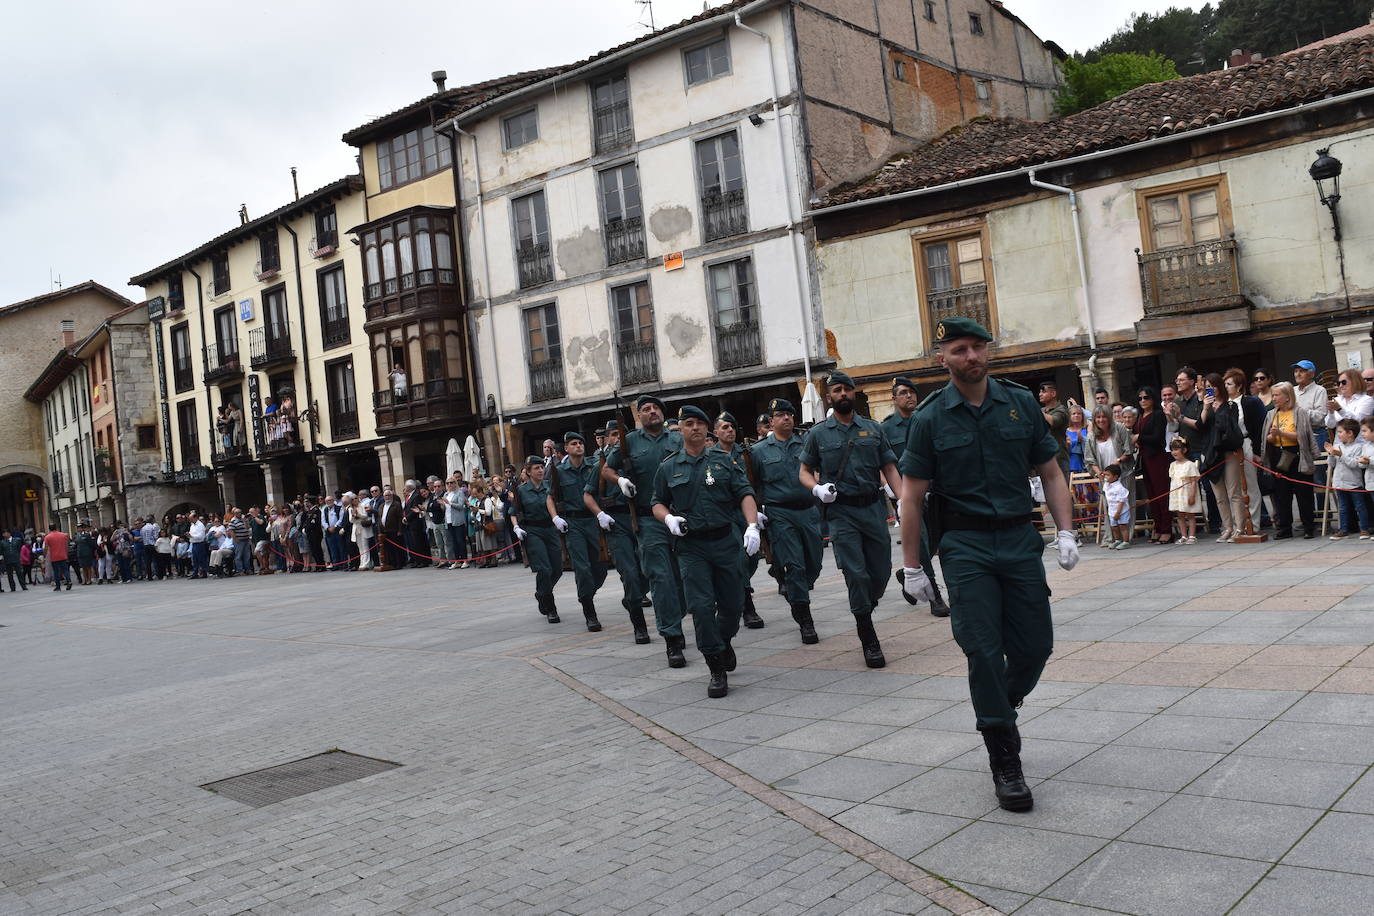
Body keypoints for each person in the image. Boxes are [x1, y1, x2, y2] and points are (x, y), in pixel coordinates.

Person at [898, 316, 1077, 814]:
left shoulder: (1020, 404)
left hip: (1021, 538)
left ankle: (1001, 704)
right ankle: (1005, 757)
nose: (971, 357)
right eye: (960, 349)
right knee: (981, 649)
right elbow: (911, 498)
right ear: (943, 357)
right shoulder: (930, 417)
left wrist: (1066, 530)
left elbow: (1051, 471)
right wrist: (913, 566)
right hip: (964, 545)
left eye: (978, 347)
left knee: (1036, 645)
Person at [652, 405, 761, 699]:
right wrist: (669, 518)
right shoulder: (669, 467)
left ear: (707, 429)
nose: (695, 428)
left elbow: (745, 493)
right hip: (692, 547)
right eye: (689, 423)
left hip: (725, 541)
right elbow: (657, 502)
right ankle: (716, 667)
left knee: (732, 605)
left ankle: (723, 641)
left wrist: (752, 526)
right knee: (700, 607)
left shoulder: (724, 461)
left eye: (700, 423)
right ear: (681, 430)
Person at [800, 371, 904, 668]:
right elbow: (804, 472)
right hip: (841, 512)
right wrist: (817, 488)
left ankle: (864, 606)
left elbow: (890, 468)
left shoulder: (873, 429)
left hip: (872, 509)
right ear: (829, 396)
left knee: (881, 569)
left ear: (854, 393)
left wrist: (902, 501)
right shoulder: (819, 434)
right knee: (856, 574)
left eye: (847, 389)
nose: (843, 393)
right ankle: (866, 632)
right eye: (837, 390)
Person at [602, 394, 688, 667]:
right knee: (660, 578)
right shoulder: (629, 443)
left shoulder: (677, 439)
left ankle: (677, 615)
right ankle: (672, 637)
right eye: (646, 409)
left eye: (656, 408)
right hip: (648, 519)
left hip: (680, 517)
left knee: (682, 580)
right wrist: (621, 480)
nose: (652, 412)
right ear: (639, 416)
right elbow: (606, 469)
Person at [749, 397, 823, 643]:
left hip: (808, 510)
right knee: (796, 566)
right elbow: (752, 485)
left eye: (789, 414)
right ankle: (805, 619)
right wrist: (756, 512)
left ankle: (794, 587)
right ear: (771, 421)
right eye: (781, 415)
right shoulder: (758, 452)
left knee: (814, 564)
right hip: (780, 514)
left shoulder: (806, 444)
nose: (787, 418)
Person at [880, 376, 950, 617]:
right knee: (919, 540)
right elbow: (882, 462)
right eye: (903, 393)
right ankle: (935, 597)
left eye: (912, 392)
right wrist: (890, 488)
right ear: (894, 398)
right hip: (908, 496)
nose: (909, 396)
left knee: (934, 540)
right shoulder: (886, 428)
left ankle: (906, 572)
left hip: (935, 490)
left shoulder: (927, 420)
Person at [583, 419, 650, 643]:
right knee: (629, 574)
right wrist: (600, 514)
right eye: (611, 435)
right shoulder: (601, 464)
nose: (615, 439)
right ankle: (639, 624)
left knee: (649, 571)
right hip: (616, 522)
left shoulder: (637, 461)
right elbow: (588, 494)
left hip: (641, 518)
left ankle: (634, 598)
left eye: (619, 435)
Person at [549, 431, 608, 632]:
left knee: (600, 568)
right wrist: (555, 517)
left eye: (581, 443)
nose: (578, 446)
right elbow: (550, 497)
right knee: (582, 568)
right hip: (573, 522)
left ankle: (587, 594)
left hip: (593, 520)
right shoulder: (558, 471)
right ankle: (589, 611)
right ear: (566, 448)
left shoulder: (593, 466)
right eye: (573, 443)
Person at [715, 411, 766, 629]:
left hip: (747, 513)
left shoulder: (747, 453)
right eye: (724, 427)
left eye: (732, 427)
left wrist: (759, 509)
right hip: (725, 515)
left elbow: (759, 481)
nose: (729, 431)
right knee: (739, 559)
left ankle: (736, 588)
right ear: (716, 432)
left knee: (752, 558)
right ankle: (748, 607)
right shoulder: (711, 456)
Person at [1263, 381, 1318, 539]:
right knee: (1281, 493)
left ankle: (1308, 527)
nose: (1274, 398)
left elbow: (1302, 436)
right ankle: (1285, 527)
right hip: (1279, 455)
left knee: (1303, 493)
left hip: (1297, 454)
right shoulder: (1272, 414)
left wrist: (1281, 433)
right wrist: (1274, 435)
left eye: (1277, 395)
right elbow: (1267, 438)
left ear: (1287, 397)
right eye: (1273, 395)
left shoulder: (1299, 412)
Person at [511, 456, 563, 620]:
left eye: (542, 467)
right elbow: (513, 512)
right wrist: (516, 527)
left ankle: (541, 593)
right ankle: (550, 606)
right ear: (528, 471)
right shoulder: (521, 490)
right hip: (533, 530)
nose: (540, 470)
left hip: (550, 528)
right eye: (536, 468)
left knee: (557, 569)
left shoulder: (550, 486)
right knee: (544, 569)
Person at [1201, 372, 1246, 543]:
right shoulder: (1205, 405)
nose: (1210, 390)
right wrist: (1206, 407)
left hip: (1227, 452)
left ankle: (1239, 527)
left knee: (1234, 491)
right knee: (1219, 495)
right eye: (1207, 387)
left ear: (1219, 386)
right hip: (1211, 453)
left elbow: (1229, 427)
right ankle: (1227, 527)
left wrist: (1216, 410)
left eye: (1212, 386)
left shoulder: (1230, 406)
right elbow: (1200, 425)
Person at [1135, 386, 1175, 544]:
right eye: (1140, 398)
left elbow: (1158, 437)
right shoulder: (1140, 416)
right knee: (1151, 495)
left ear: (1152, 399)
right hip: (1145, 458)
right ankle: (1157, 527)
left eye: (1146, 397)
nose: (1143, 401)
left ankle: (1167, 529)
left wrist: (1139, 438)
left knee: (1161, 494)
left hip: (1157, 457)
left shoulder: (1158, 415)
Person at [1326, 419, 1372, 539]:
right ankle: (1344, 529)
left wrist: (1341, 455)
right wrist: (1331, 454)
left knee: (1360, 506)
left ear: (1350, 433)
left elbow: (1355, 464)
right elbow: (1332, 464)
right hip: (1339, 482)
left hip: (1353, 483)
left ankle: (1364, 529)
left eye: (1340, 432)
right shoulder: (1337, 446)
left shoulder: (1358, 447)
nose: (1338, 435)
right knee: (1343, 507)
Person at [1169, 436, 1203, 544]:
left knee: (1190, 515)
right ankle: (1183, 535)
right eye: (1172, 449)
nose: (1173, 452)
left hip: (1187, 493)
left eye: (1176, 449)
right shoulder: (1172, 465)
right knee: (1180, 515)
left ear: (1184, 450)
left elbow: (1193, 481)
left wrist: (1192, 495)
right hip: (1177, 494)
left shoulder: (1190, 465)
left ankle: (1192, 535)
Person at [1038, 381, 1072, 487]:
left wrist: (1032, 409)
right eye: (1039, 392)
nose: (1039, 394)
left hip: (1058, 457)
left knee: (1062, 492)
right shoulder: (1041, 410)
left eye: (1043, 391)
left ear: (1053, 394)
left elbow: (1052, 421)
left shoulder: (1061, 410)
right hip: (1042, 457)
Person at [1102, 465, 1131, 549]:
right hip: (1112, 510)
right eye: (1105, 475)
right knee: (1114, 527)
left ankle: (1126, 541)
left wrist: (1118, 512)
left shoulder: (1119, 487)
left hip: (1121, 511)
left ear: (1115, 477)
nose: (1106, 477)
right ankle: (1117, 540)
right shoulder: (1107, 485)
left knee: (1123, 526)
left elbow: (1121, 501)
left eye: (1108, 475)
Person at [348, 492, 375, 570]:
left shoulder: (362, 506)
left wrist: (358, 515)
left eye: (356, 498)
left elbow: (365, 516)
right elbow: (351, 520)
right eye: (352, 499)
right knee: (360, 547)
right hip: (356, 528)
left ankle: (366, 563)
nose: (355, 500)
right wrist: (354, 515)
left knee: (365, 546)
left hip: (363, 527)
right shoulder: (350, 508)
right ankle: (362, 562)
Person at [43, 524, 73, 592]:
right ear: (56, 527)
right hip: (63, 555)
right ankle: (69, 581)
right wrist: (66, 553)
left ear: (49, 529)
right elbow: (66, 545)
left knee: (56, 571)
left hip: (54, 556)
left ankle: (58, 586)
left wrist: (44, 555)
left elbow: (46, 548)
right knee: (65, 570)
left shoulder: (47, 537)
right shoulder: (63, 535)